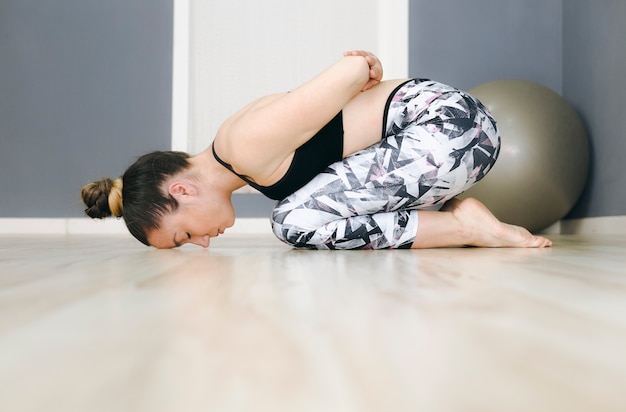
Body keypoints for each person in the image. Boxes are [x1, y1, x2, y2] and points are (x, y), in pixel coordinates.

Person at [81, 51, 552, 250]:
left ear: (182, 190)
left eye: (185, 236)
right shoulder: (236, 157)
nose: (202, 243)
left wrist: (362, 71)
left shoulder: (242, 144)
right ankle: (457, 218)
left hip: (450, 130)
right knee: (299, 214)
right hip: (453, 141)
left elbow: (352, 69)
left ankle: (461, 225)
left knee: (291, 222)